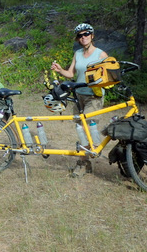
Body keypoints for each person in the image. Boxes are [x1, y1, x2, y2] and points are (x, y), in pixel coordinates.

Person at [50, 23, 108, 177]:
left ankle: (82, 163)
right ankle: (88, 158)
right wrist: (60, 70)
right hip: (78, 96)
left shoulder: (101, 55)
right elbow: (71, 73)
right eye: (80, 35)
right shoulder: (78, 54)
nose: (83, 37)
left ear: (92, 35)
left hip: (94, 96)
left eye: (86, 34)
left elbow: (108, 76)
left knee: (86, 126)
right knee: (81, 130)